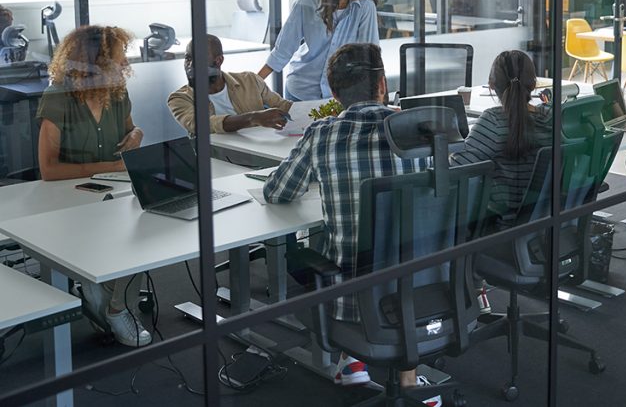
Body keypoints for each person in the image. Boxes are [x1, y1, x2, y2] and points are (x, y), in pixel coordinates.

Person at [263, 44, 437, 404]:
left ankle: (352, 358)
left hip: (353, 302)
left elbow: (277, 192)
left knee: (313, 252)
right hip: (427, 291)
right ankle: (409, 381)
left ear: (334, 92)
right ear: (382, 86)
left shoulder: (322, 134)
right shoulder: (419, 130)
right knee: (397, 244)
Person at [36, 25, 152, 347]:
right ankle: (100, 287)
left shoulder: (116, 91)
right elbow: (49, 169)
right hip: (67, 200)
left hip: (112, 191)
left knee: (146, 229)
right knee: (125, 235)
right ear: (94, 62)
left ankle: (116, 308)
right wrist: (112, 166)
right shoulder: (58, 96)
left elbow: (130, 130)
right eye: (115, 59)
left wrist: (136, 134)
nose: (121, 65)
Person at [258, 0, 380, 100]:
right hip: (301, 92)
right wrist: (252, 85)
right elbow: (282, 51)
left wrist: (378, 95)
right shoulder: (305, 4)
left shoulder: (365, 7)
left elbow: (370, 54)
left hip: (341, 95)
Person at [451, 50, 553, 225]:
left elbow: (456, 169)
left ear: (491, 85)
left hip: (501, 227)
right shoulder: (552, 118)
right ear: (534, 84)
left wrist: (446, 148)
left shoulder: (493, 121)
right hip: (545, 222)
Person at [167, 34, 292, 135]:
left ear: (218, 61)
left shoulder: (250, 80)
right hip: (218, 158)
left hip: (263, 150)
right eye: (188, 58)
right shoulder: (179, 98)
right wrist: (253, 118)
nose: (190, 65)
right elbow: (202, 125)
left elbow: (285, 106)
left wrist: (312, 112)